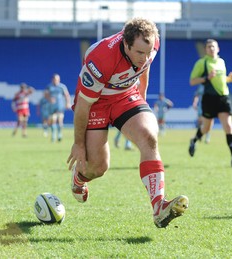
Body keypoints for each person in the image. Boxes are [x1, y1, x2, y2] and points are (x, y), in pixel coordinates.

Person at [66, 18, 188, 228]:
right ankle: (79, 178)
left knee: (149, 137)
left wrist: (141, 101)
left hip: (125, 96)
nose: (146, 57)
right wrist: (78, 144)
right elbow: (82, 107)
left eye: (148, 52)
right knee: (98, 167)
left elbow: (144, 69)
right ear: (126, 44)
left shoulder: (152, 44)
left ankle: (158, 206)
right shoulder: (100, 59)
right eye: (139, 53)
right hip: (96, 103)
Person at [188, 39, 232, 167]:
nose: (211, 49)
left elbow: (221, 80)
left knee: (229, 126)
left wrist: (230, 79)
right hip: (209, 98)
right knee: (207, 128)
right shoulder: (202, 63)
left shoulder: (221, 62)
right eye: (209, 47)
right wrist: (206, 78)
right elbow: (192, 81)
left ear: (218, 48)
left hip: (223, 97)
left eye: (213, 46)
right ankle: (194, 140)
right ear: (206, 49)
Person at [47, 73, 72, 142]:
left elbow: (67, 95)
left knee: (60, 120)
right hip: (52, 106)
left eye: (57, 79)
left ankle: (60, 134)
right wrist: (49, 99)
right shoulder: (49, 87)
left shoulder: (62, 87)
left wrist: (67, 103)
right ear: (52, 79)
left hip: (60, 105)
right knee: (53, 119)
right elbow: (46, 95)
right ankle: (53, 135)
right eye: (55, 79)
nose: (56, 80)